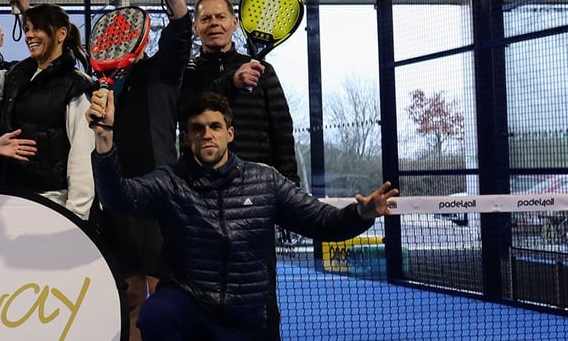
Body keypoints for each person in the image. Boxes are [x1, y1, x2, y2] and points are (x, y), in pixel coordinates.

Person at [87, 91, 398, 340]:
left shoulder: (265, 180)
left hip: (248, 315)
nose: (207, 134)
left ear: (230, 133)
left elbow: (320, 220)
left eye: (215, 126)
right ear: (186, 139)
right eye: (197, 128)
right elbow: (119, 198)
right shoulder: (169, 182)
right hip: (190, 304)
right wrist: (104, 140)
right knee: (155, 315)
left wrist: (361, 213)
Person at [99, 0, 192, 341]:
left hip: (159, 197)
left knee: (162, 293)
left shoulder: (163, 70)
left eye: (128, 31)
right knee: (130, 293)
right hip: (116, 198)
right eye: (114, 33)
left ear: (141, 35)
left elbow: (182, 24)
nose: (121, 37)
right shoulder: (102, 82)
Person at [0, 0, 96, 219]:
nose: (29, 35)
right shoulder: (17, 76)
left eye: (37, 28)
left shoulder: (76, 86)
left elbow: (82, 156)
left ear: (61, 34)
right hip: (14, 196)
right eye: (27, 29)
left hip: (54, 201)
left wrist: (76, 216)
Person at [180, 0, 298, 185]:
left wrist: (290, 184)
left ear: (234, 23)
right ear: (195, 27)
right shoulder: (186, 73)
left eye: (220, 17)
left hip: (257, 184)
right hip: (201, 186)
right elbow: (188, 115)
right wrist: (231, 83)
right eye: (206, 18)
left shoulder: (263, 72)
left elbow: (282, 132)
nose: (214, 23)